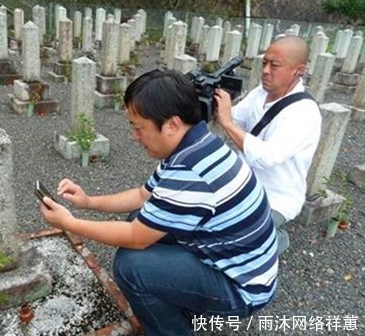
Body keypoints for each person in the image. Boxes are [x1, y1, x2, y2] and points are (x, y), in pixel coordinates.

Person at [38, 69, 278, 336]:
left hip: (242, 287)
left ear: (172, 124)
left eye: (139, 127)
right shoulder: (194, 143)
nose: (134, 136)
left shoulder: (191, 170)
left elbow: (136, 237)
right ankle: (181, 303)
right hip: (235, 261)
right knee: (138, 217)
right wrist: (87, 201)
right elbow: (143, 195)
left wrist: (70, 223)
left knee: (131, 267)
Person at [214, 35, 322, 255]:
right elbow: (235, 118)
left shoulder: (304, 113)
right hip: (241, 182)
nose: (265, 70)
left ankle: (276, 238)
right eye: (265, 63)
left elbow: (268, 158)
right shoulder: (260, 93)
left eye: (275, 65)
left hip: (275, 197)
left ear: (298, 70)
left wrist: (226, 122)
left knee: (236, 243)